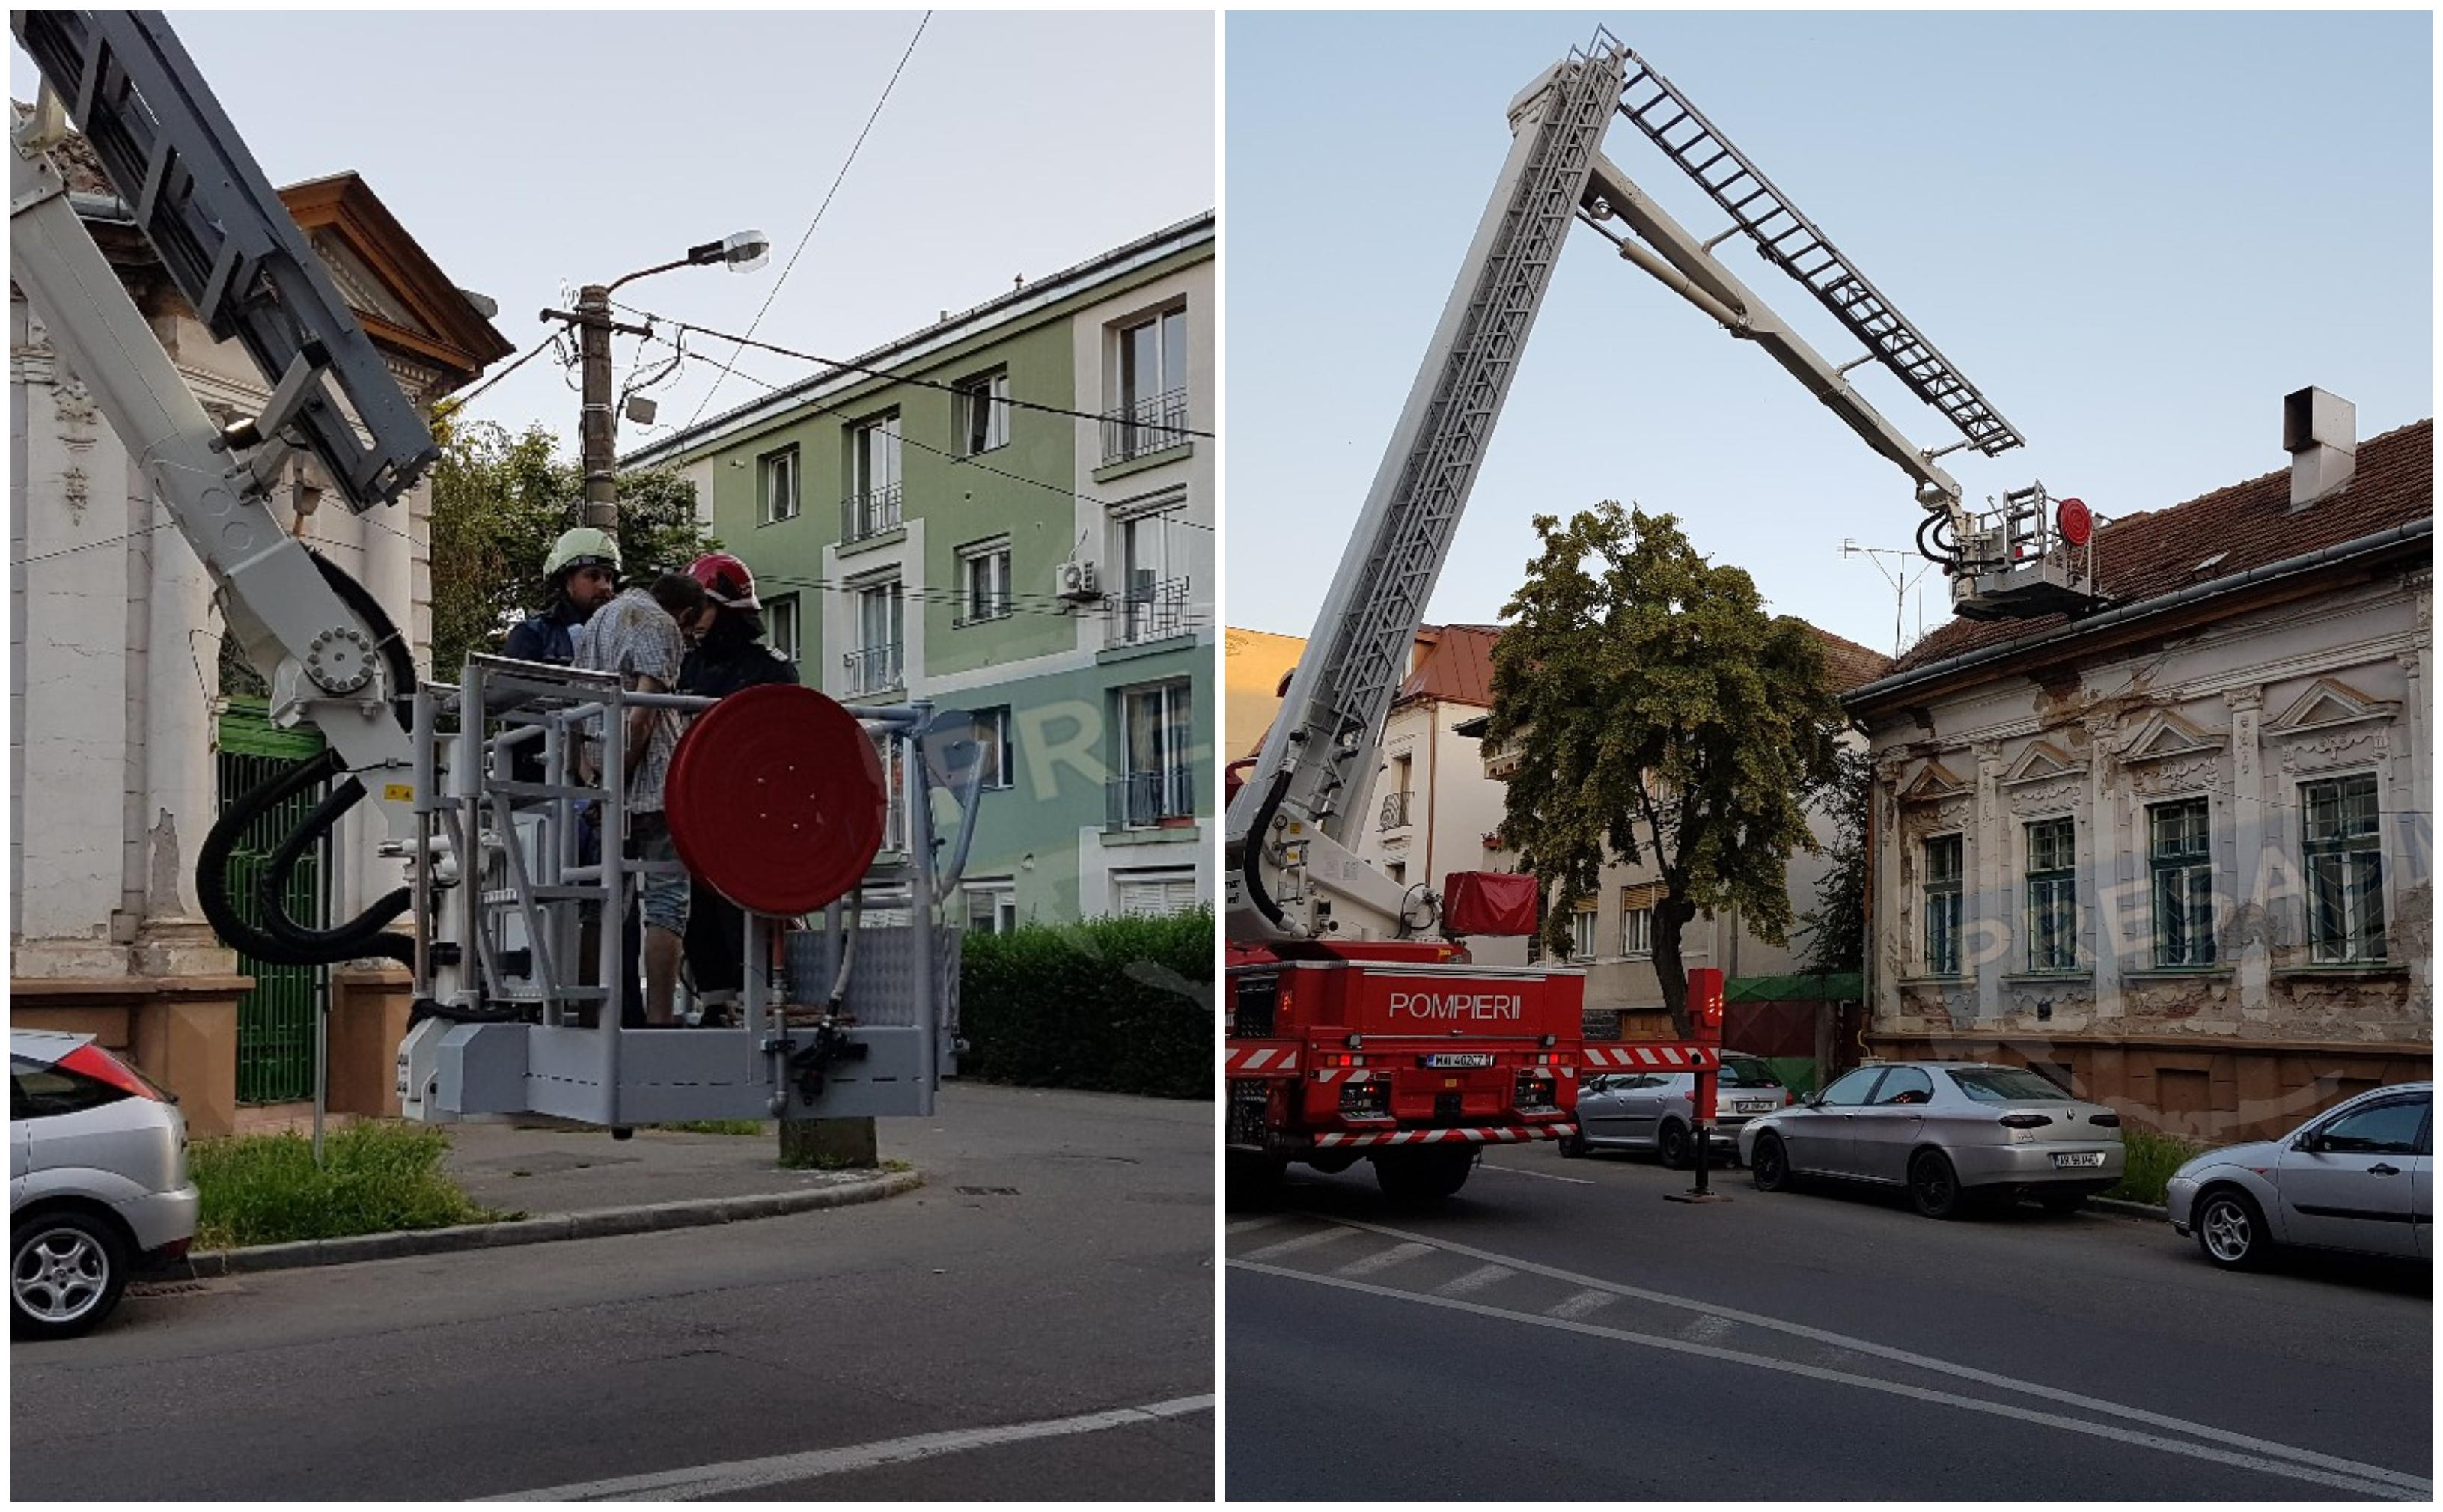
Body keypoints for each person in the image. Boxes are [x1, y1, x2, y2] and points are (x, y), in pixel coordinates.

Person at [575, 570, 708, 1027]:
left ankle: (591, 1015)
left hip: (598, 779)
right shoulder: (661, 625)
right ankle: (660, 1021)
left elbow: (578, 707)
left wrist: (592, 780)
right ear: (686, 614)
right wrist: (619, 776)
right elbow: (643, 716)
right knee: (668, 898)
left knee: (603, 900)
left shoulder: (598, 620)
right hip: (651, 786)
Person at [675, 552, 799, 1025]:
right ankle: (715, 1003)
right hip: (696, 811)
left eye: (700, 610)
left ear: (728, 607)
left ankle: (756, 998)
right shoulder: (688, 666)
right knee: (695, 909)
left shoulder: (771, 670)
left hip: (754, 814)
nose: (692, 623)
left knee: (743, 908)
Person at [507, 526, 621, 665]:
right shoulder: (533, 635)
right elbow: (511, 686)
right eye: (593, 576)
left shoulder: (626, 638)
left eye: (609, 578)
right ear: (566, 581)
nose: (605, 587)